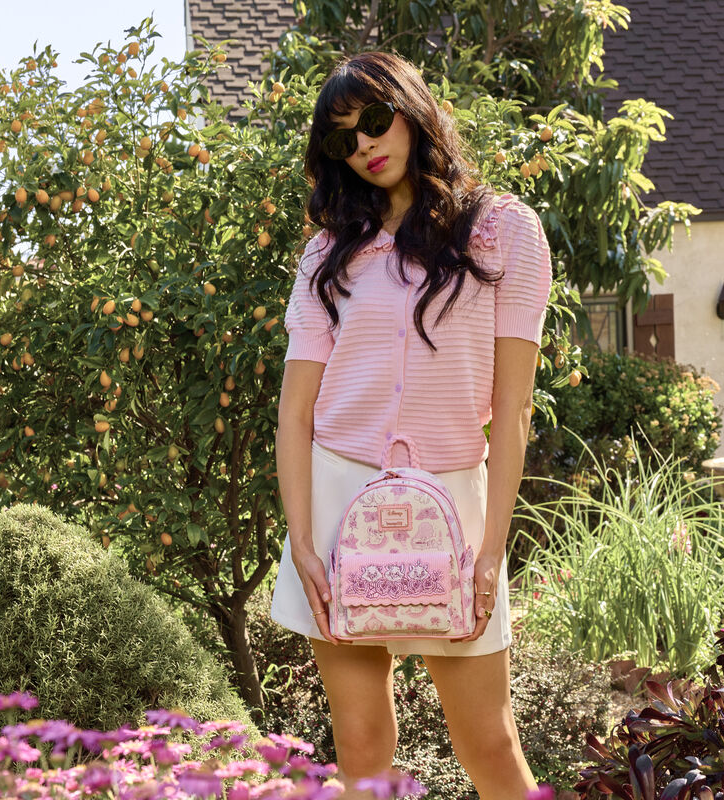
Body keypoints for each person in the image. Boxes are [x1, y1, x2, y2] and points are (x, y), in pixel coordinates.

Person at [270, 49, 553, 800]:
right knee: (360, 746)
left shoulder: (506, 231)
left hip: (454, 510)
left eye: (371, 119)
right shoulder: (327, 257)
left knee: (488, 743)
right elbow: (296, 412)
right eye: (340, 140)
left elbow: (515, 409)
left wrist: (491, 551)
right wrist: (302, 537)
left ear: (411, 107)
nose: (362, 144)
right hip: (336, 504)